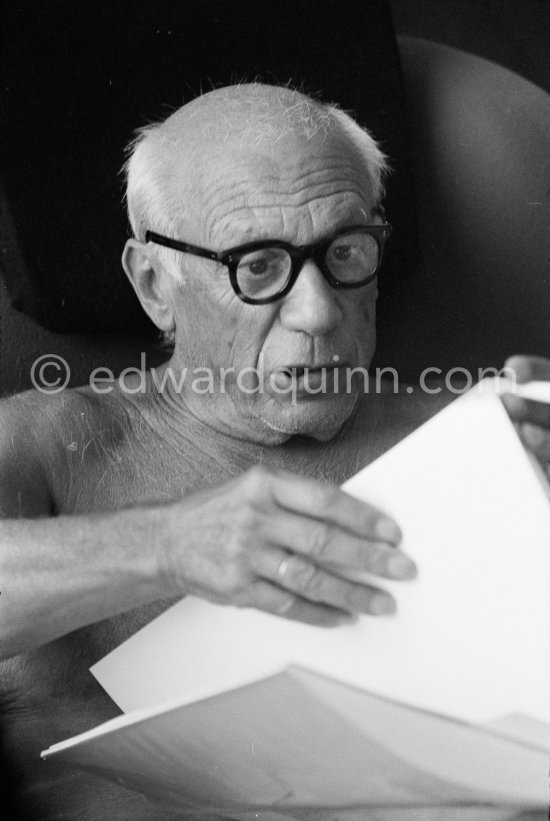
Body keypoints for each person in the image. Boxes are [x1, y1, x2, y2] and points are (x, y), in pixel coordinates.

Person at [0, 83, 548, 821]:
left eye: (346, 252)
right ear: (156, 283)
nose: (319, 310)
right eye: (257, 266)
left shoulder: (476, 428)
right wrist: (167, 545)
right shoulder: (52, 442)